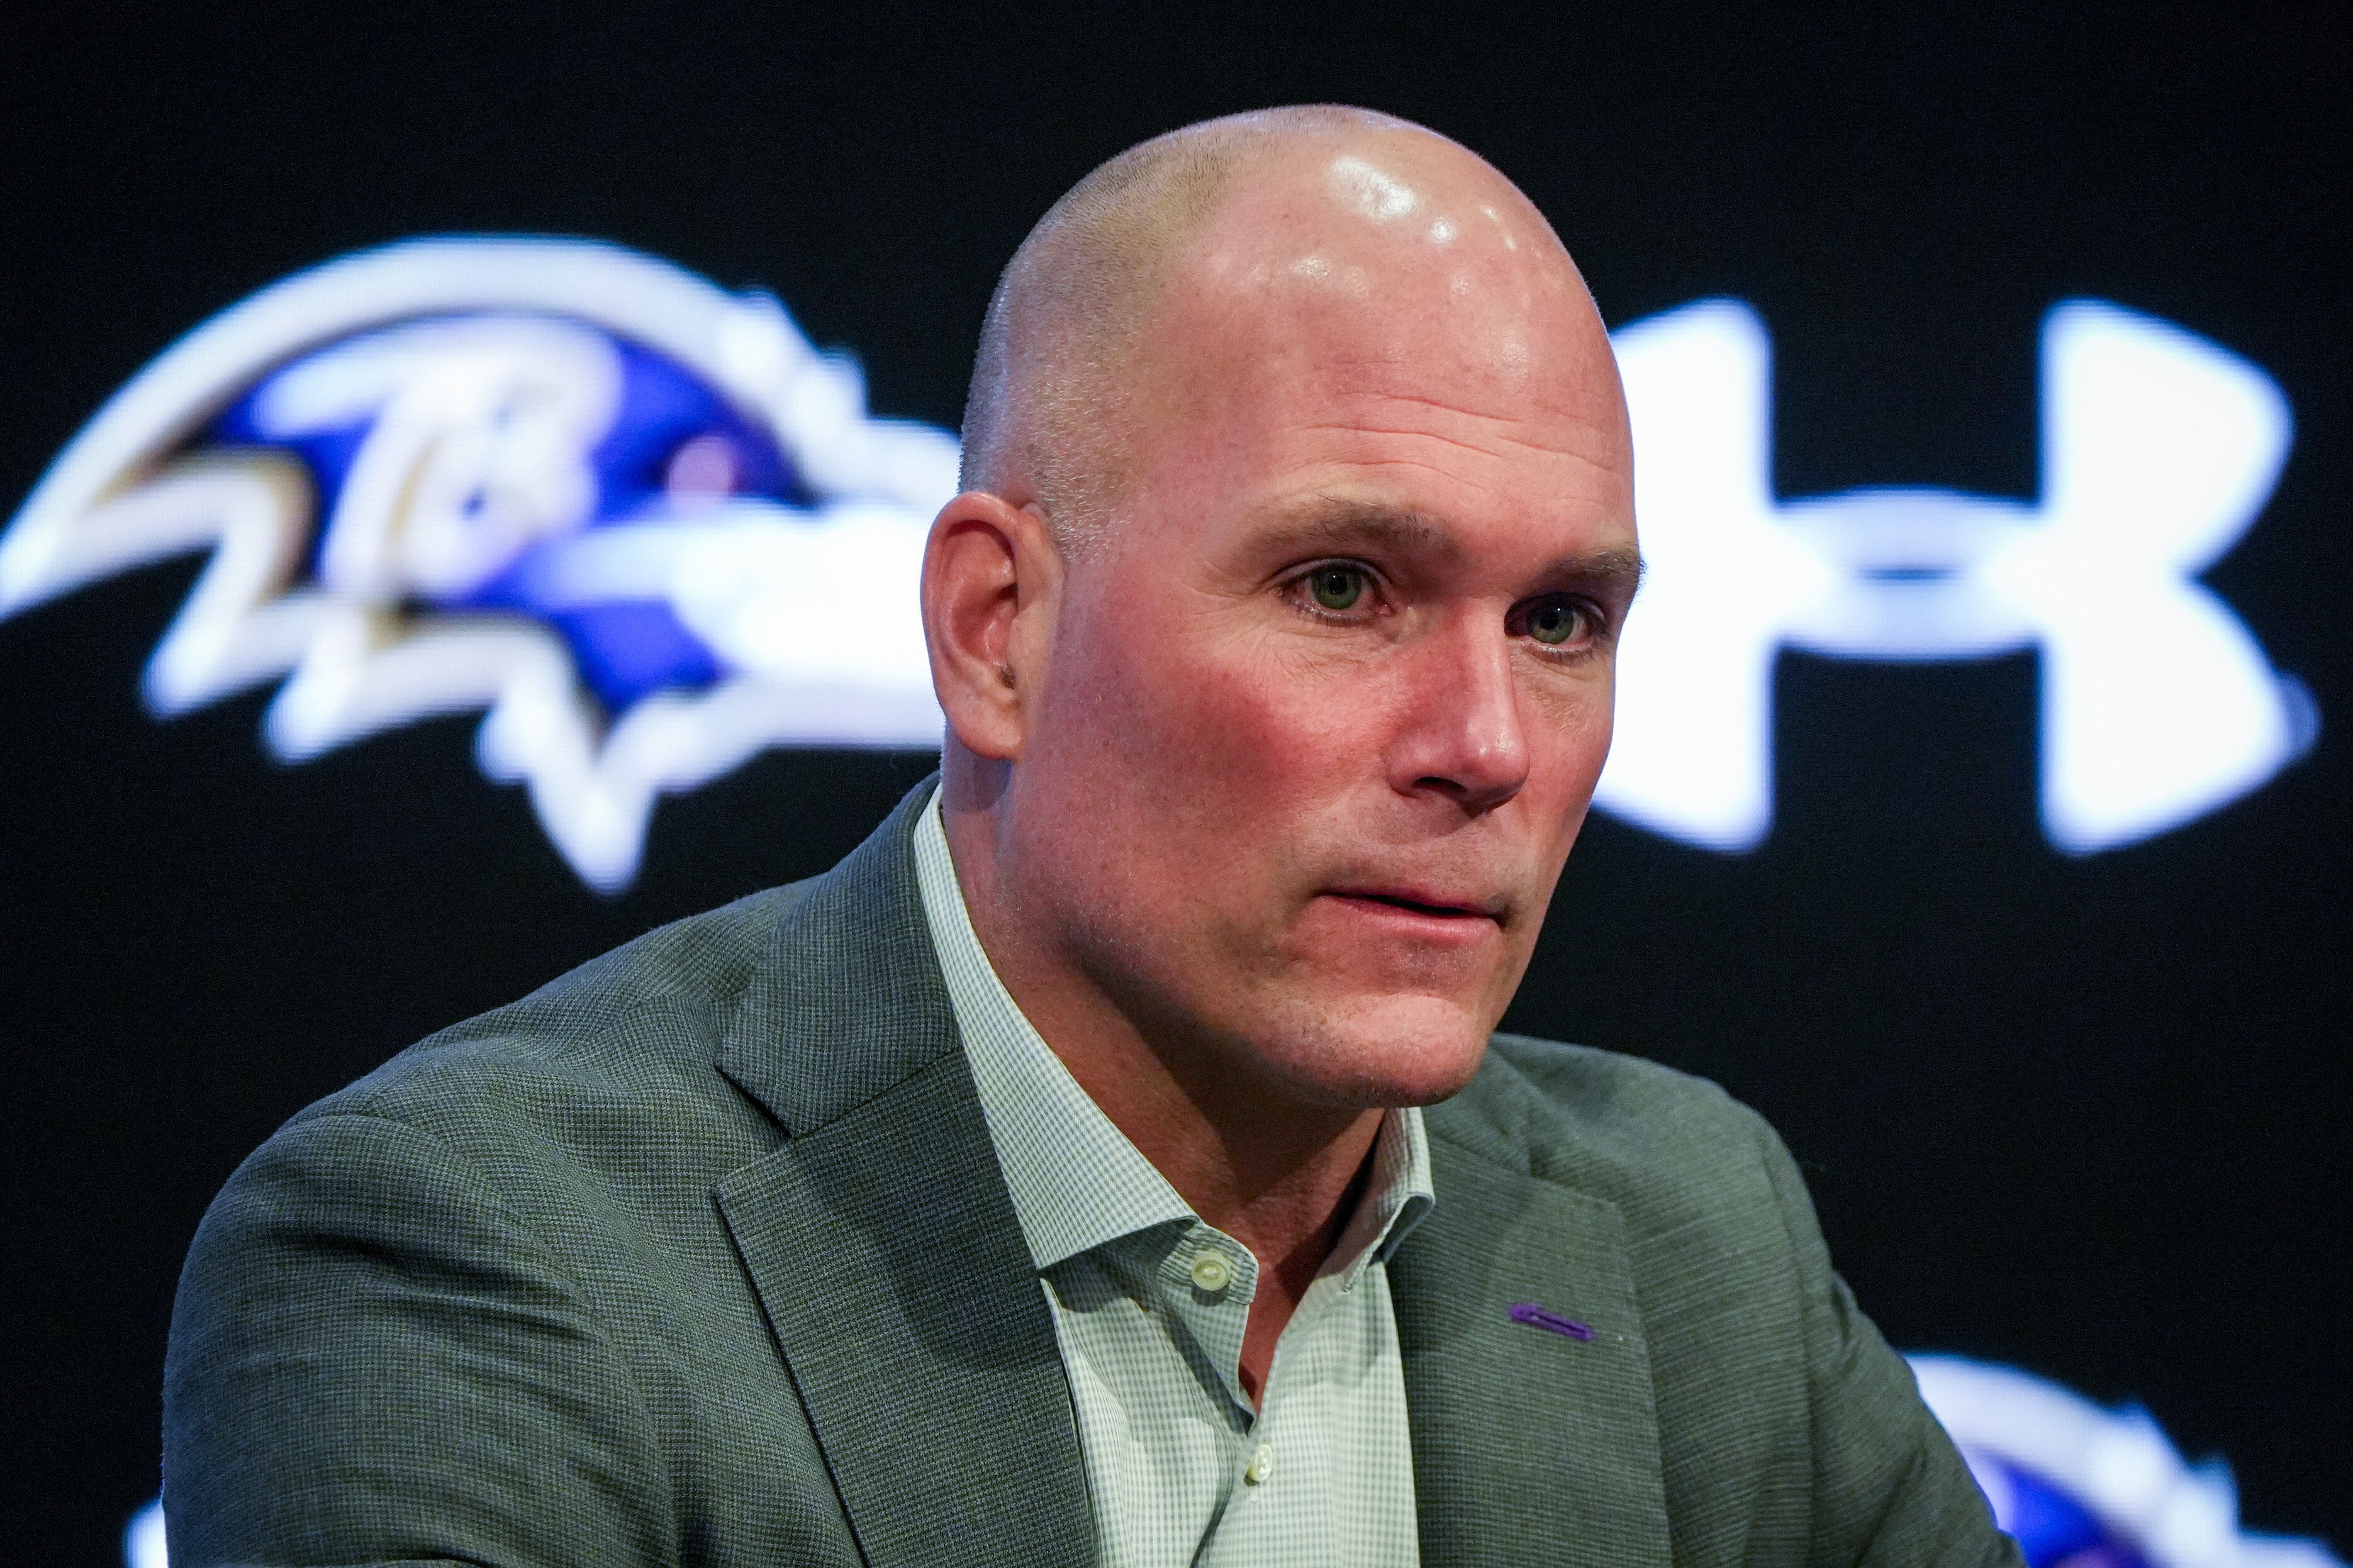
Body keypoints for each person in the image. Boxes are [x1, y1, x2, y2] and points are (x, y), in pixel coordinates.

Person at [163, 106, 2020, 1567]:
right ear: (998, 630)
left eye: (1559, 621)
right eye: (1343, 585)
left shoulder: (1696, 1234)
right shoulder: (482, 1254)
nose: (1484, 747)